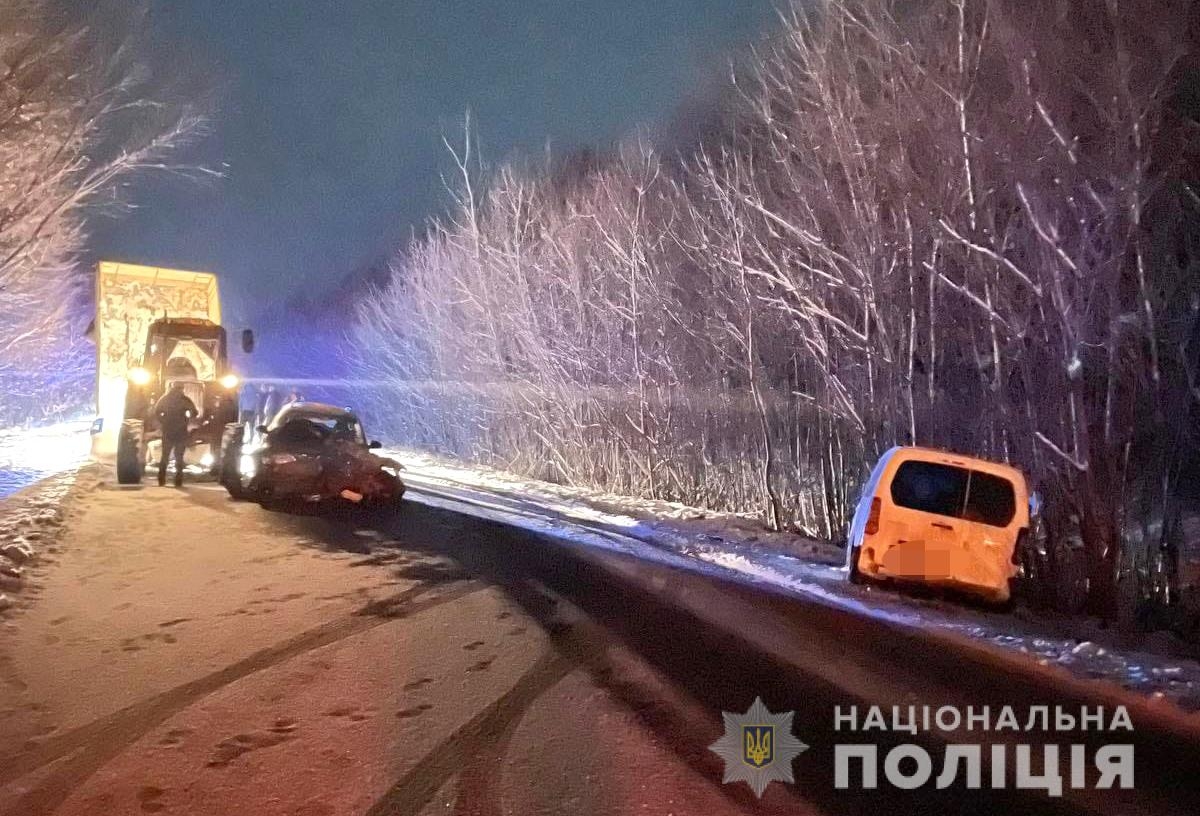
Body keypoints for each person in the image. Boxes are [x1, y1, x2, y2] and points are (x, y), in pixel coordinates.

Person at [154, 382, 198, 487]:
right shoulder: (185, 400)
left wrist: (163, 420)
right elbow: (195, 413)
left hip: (168, 431)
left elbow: (156, 412)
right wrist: (187, 418)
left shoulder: (164, 399)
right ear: (182, 388)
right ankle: (178, 482)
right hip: (181, 432)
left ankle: (161, 480)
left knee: (165, 457)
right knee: (179, 458)